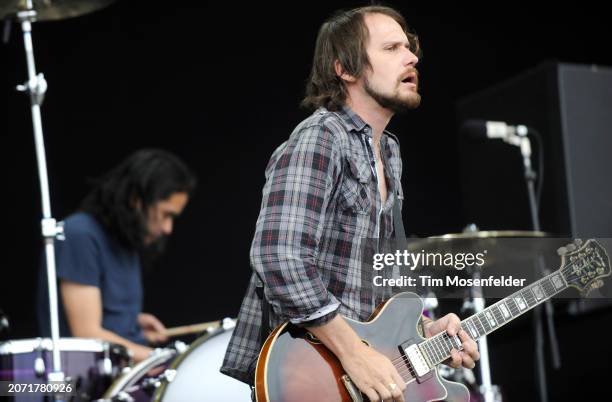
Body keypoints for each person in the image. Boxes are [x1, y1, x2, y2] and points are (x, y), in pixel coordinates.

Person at [221, 5, 480, 401]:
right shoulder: (321, 138)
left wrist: (423, 330)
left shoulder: (388, 151)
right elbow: (279, 257)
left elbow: (379, 287)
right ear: (345, 69)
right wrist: (354, 354)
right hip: (314, 373)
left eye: (409, 48)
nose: (411, 57)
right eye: (392, 48)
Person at [37, 149, 196, 362]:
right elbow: (87, 335)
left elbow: (105, 317)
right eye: (166, 214)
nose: (168, 228)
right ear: (136, 200)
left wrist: (133, 323)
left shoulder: (127, 239)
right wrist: (164, 360)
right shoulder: (80, 235)